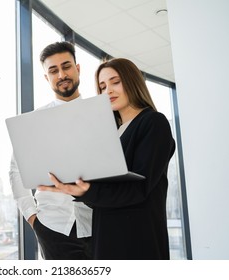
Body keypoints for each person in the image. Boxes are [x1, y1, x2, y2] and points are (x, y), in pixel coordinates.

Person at [39, 57, 176, 260]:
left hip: (138, 237)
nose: (108, 91)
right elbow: (105, 192)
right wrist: (77, 187)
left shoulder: (153, 122)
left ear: (132, 81)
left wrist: (89, 191)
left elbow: (139, 188)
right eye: (102, 86)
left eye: (115, 82)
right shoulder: (110, 132)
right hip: (105, 234)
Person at [9, 41, 93, 260]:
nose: (61, 75)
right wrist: (32, 218)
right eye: (53, 70)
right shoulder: (34, 122)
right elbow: (16, 172)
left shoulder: (101, 115)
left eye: (66, 66)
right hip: (53, 227)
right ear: (47, 78)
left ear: (78, 68)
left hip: (98, 224)